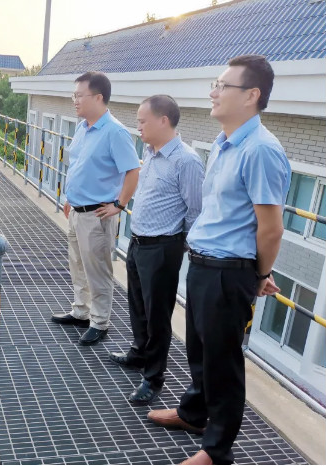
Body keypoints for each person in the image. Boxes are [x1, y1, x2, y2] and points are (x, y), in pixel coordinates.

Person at [147, 55, 291, 465]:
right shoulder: (226, 144)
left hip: (230, 273)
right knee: (200, 350)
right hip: (204, 264)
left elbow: (271, 229)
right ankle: (194, 413)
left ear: (251, 95)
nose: (213, 92)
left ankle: (217, 449)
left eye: (222, 86)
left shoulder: (261, 150)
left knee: (223, 363)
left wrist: (260, 274)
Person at [108, 95, 204, 404]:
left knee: (158, 315)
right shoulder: (150, 153)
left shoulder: (187, 161)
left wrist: (178, 246)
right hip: (138, 242)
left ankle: (153, 378)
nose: (138, 127)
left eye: (142, 121)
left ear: (164, 121)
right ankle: (139, 353)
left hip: (163, 247)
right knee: (137, 306)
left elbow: (196, 211)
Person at [51, 71, 140, 346]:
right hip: (76, 210)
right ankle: (81, 311)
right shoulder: (83, 127)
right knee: (78, 265)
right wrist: (70, 197)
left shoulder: (115, 132)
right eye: (74, 95)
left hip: (96, 215)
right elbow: (79, 165)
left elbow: (133, 171)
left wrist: (120, 204)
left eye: (80, 95)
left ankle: (99, 322)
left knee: (98, 271)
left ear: (98, 97)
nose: (75, 100)